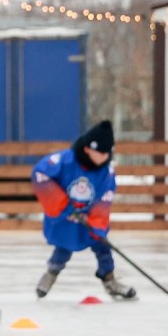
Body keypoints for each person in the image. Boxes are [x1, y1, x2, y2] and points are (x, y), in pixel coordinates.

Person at [31, 120, 136, 300]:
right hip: (65, 218)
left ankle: (110, 281)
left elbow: (104, 198)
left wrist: (97, 224)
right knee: (63, 249)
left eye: (107, 153)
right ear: (88, 149)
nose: (104, 157)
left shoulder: (107, 172)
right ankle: (52, 273)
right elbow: (40, 174)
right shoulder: (64, 161)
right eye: (100, 152)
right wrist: (63, 206)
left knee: (103, 247)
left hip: (88, 218)